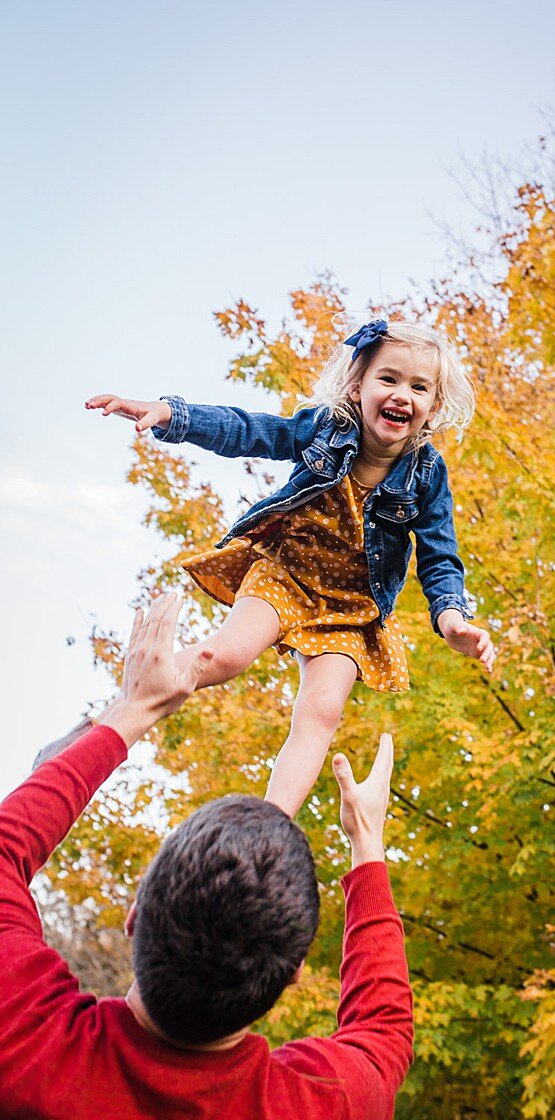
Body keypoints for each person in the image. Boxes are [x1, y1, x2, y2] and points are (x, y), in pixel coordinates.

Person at [0, 594, 414, 1118]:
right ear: (291, 977)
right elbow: (385, 1033)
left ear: (135, 916)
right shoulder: (316, 1104)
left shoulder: (27, 1053)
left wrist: (133, 712)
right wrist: (368, 844)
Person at [86, 319, 496, 816]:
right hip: (288, 572)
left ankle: (271, 823)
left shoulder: (428, 475)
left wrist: (451, 618)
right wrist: (174, 416)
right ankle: (104, 727)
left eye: (419, 387)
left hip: (350, 608)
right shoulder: (324, 429)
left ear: (433, 406)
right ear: (357, 385)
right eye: (388, 379)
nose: (402, 394)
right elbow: (251, 431)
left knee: (322, 713)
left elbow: (440, 555)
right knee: (227, 656)